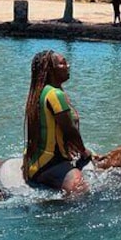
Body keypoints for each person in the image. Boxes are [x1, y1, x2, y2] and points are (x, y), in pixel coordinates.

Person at [22, 50, 91, 194]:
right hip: (50, 164)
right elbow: (69, 130)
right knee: (82, 192)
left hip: (35, 160)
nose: (68, 65)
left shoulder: (42, 91)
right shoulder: (55, 94)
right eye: (63, 63)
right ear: (50, 69)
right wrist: (84, 152)